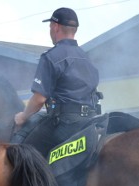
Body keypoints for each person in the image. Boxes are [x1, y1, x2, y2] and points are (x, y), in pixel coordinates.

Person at [13, 7, 101, 157]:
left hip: (64, 124)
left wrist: (22, 117)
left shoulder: (51, 57)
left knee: (19, 152)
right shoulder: (87, 58)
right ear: (75, 30)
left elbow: (39, 99)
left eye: (50, 27)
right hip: (89, 123)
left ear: (55, 27)